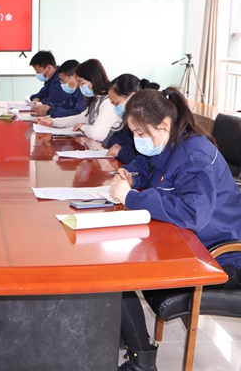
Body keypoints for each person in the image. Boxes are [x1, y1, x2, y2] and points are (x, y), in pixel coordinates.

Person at [110, 87, 241, 371]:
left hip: (219, 256)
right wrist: (132, 176)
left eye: (140, 133)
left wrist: (132, 198)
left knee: (116, 273)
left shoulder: (194, 154)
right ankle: (126, 335)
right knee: (113, 260)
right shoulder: (170, 142)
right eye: (133, 133)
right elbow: (148, 166)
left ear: (163, 125)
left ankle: (142, 360)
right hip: (187, 241)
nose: (137, 139)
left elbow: (194, 214)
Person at [37, 59, 120, 144]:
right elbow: (80, 118)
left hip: (107, 149)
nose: (80, 87)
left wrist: (83, 127)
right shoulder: (95, 99)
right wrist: (53, 122)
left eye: (81, 83)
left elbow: (96, 134)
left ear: (92, 80)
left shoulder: (109, 102)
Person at [106, 75, 160, 163]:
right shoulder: (132, 121)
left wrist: (121, 151)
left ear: (131, 97)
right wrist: (123, 149)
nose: (115, 108)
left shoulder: (150, 119)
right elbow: (115, 137)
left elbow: (145, 160)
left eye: (116, 103)